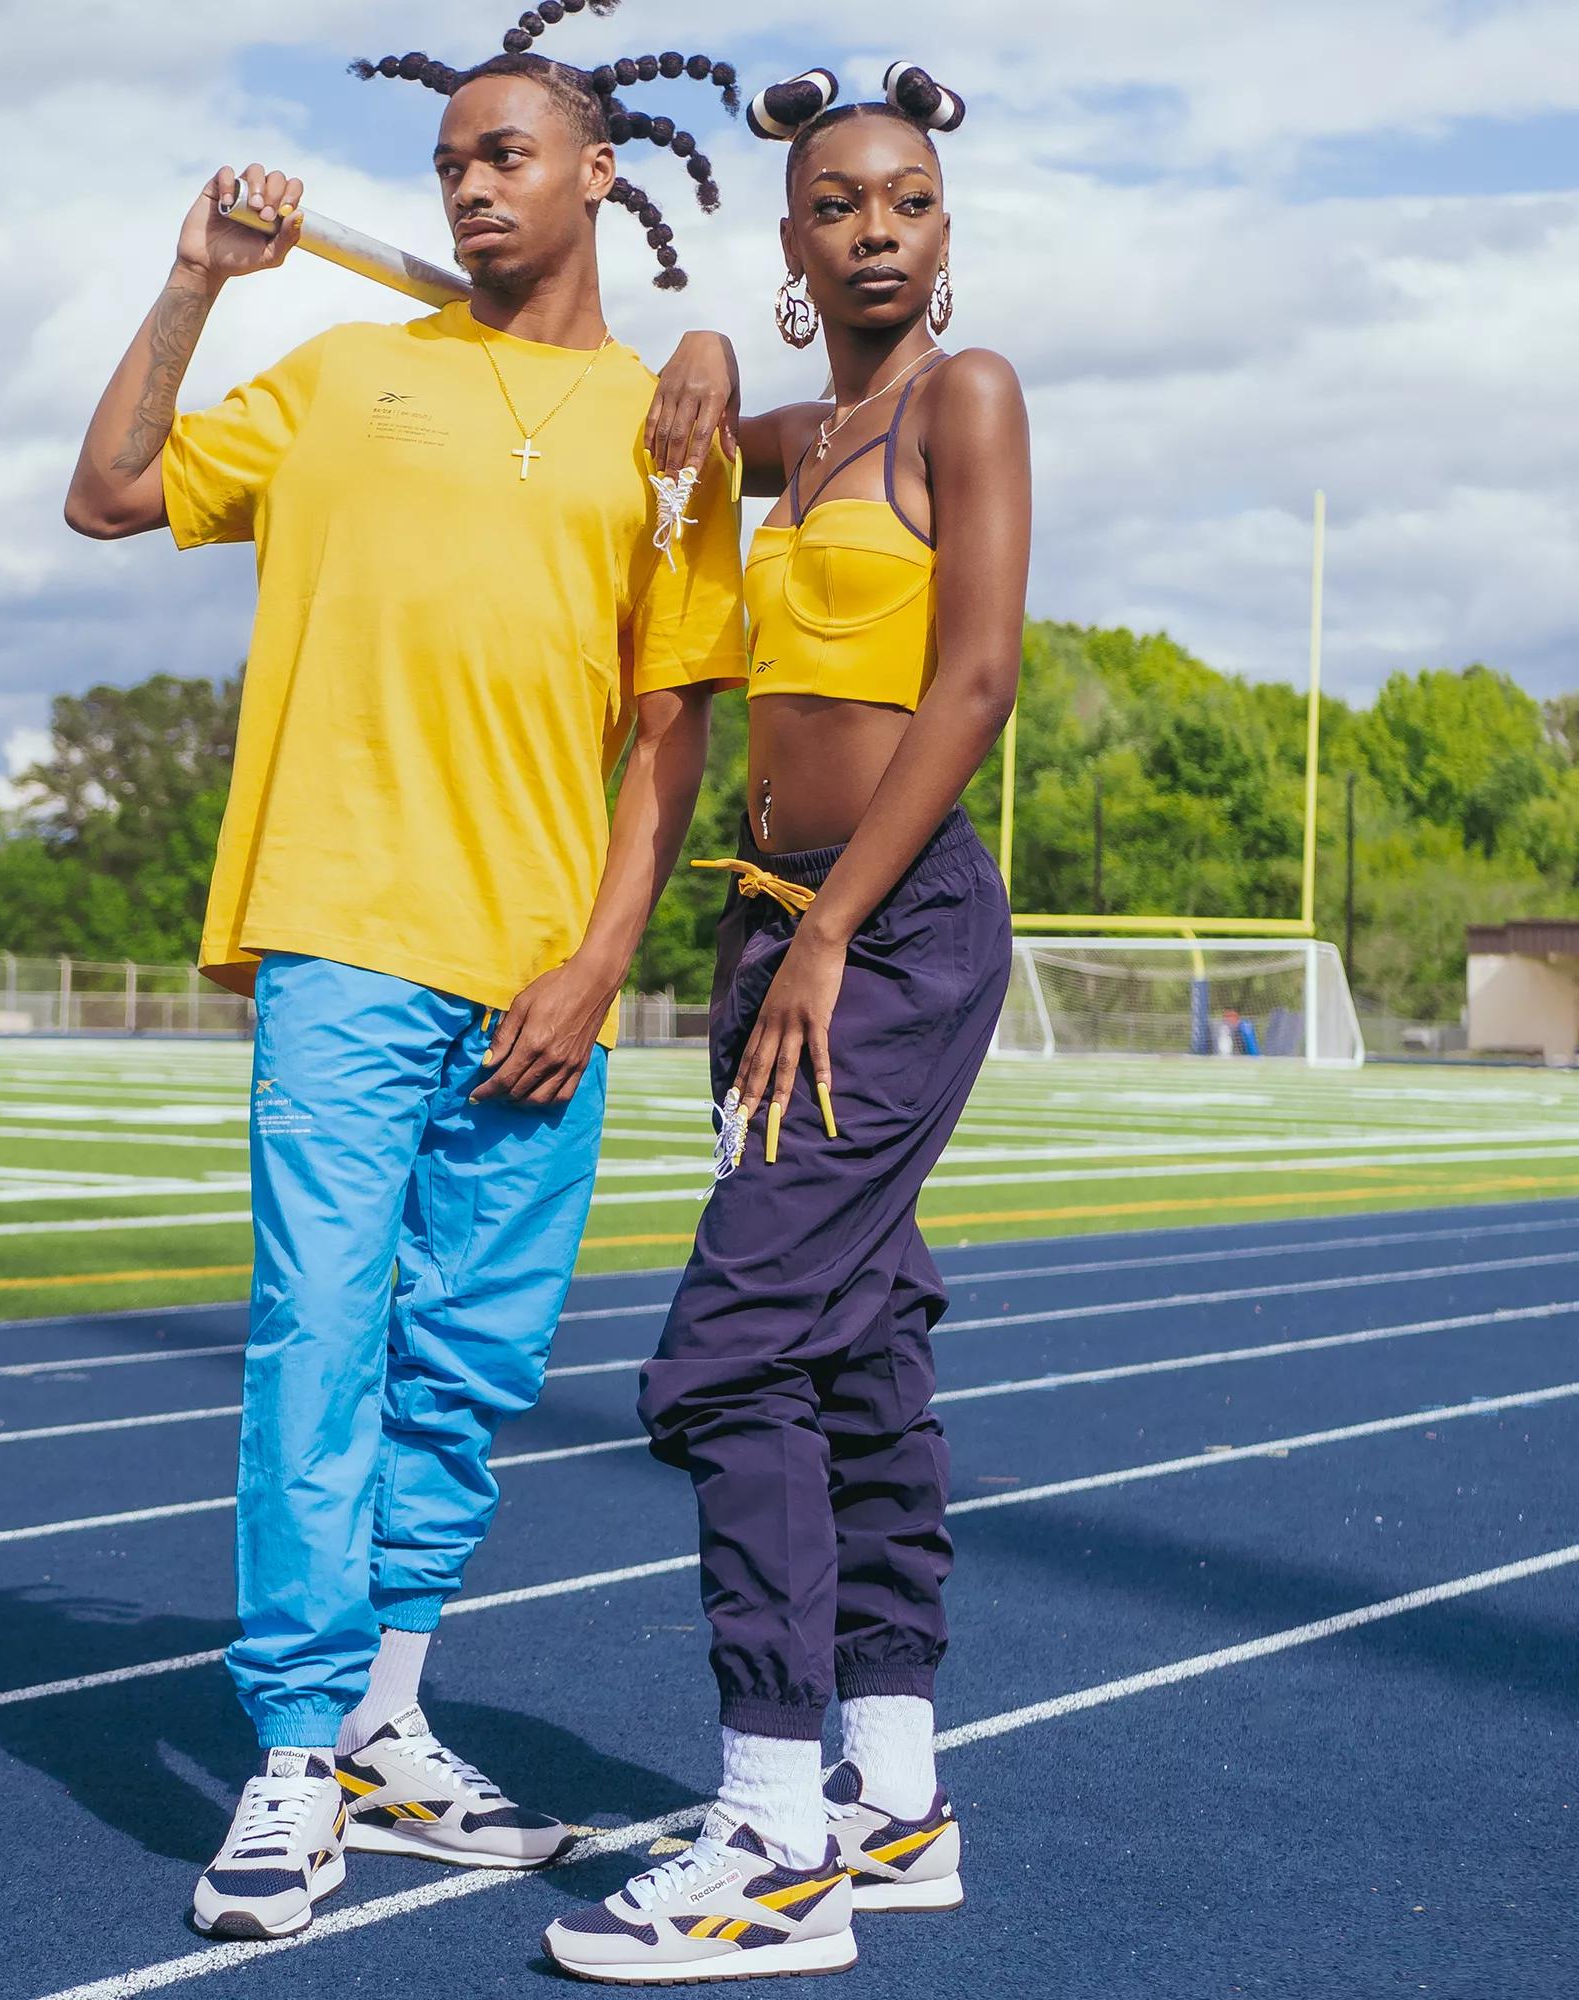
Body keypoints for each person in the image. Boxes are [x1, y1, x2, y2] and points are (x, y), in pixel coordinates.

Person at [63, 21, 747, 1944]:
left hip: (545, 972)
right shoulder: (342, 370)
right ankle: (288, 1763)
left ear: (595, 173)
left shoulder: (668, 429)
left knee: (465, 1375)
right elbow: (108, 491)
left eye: (512, 150)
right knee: (322, 1336)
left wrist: (602, 961)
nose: (470, 181)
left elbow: (670, 725)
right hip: (347, 932)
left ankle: (385, 1715)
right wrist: (198, 281)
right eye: (452, 157)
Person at [544, 62, 1030, 1983]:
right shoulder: (799, 430)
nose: (875, 228)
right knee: (849, 1345)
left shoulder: (962, 401)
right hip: (775, 932)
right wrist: (676, 338)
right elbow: (670, 427)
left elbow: (974, 677)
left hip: (885, 934)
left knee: (729, 1355)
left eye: (904, 197)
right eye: (837, 202)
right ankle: (891, 1801)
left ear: (945, 224)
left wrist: (831, 929)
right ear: (793, 240)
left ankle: (768, 1837)